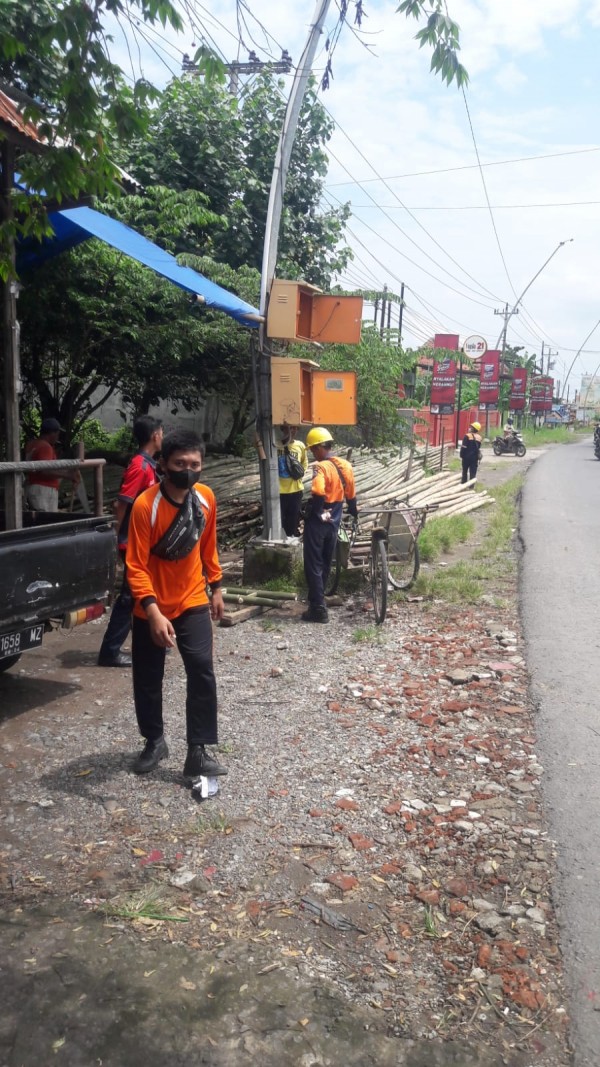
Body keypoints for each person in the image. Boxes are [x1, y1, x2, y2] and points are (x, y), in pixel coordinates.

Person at [126, 428, 227, 779]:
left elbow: (208, 544)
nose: (188, 470)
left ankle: (198, 750)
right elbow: (135, 566)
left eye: (194, 464)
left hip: (192, 598)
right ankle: (154, 741)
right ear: (164, 465)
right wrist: (152, 612)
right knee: (148, 677)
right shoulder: (145, 506)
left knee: (201, 669)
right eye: (180, 463)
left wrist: (216, 586)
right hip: (151, 606)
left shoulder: (205, 499)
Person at [97, 415, 163, 668]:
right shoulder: (139, 465)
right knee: (130, 595)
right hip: (131, 540)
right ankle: (110, 652)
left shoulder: (149, 464)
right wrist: (117, 536)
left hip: (142, 539)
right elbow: (122, 504)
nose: (163, 437)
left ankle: (146, 643)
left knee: (141, 593)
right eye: (161, 433)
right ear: (155, 435)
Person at [302, 427, 358, 623]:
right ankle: (317, 601)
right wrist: (354, 511)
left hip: (318, 522)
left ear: (319, 447)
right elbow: (351, 494)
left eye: (312, 449)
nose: (312, 453)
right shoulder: (345, 466)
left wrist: (317, 512)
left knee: (313, 563)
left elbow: (318, 490)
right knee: (326, 561)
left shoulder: (321, 467)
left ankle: (318, 609)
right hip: (334, 520)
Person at [25, 417, 80, 511]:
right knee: (47, 518)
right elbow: (45, 471)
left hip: (35, 487)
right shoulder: (45, 447)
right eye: (57, 434)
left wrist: (66, 471)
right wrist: (68, 475)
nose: (58, 437)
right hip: (43, 490)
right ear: (52, 433)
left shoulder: (32, 444)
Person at [277, 424, 308, 537]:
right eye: (290, 427)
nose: (293, 430)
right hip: (279, 491)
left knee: (293, 519)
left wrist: (298, 475)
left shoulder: (300, 445)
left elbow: (304, 463)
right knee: (279, 519)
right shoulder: (275, 444)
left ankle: (291, 539)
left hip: (295, 490)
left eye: (295, 428)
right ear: (283, 429)